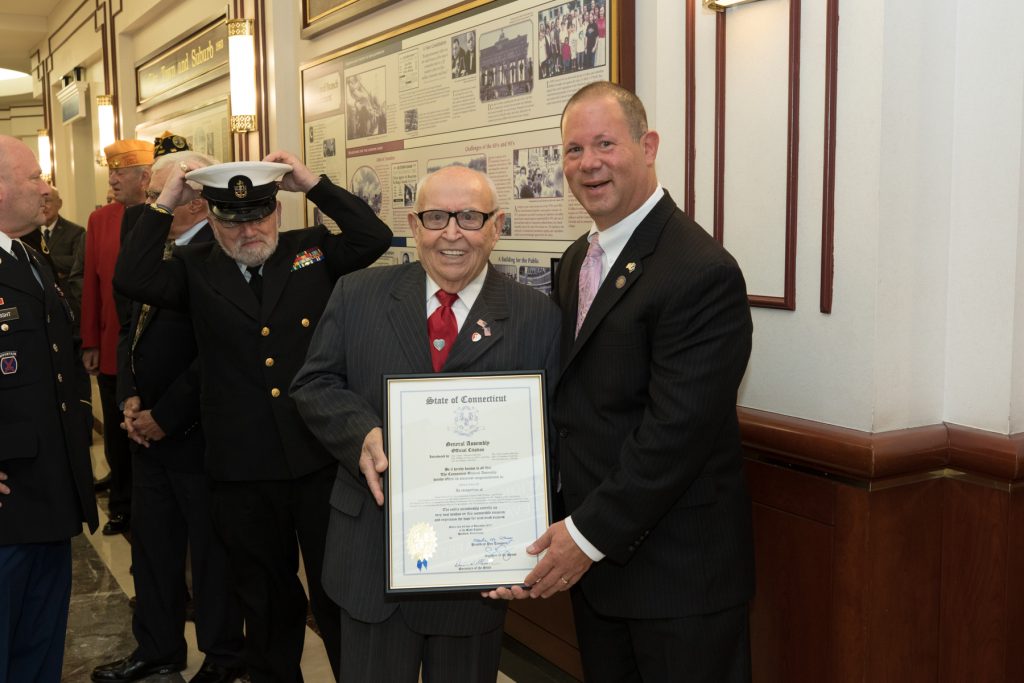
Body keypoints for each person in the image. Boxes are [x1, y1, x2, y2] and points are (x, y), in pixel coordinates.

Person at [487, 82, 755, 682]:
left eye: (605, 144)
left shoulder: (700, 271)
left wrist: (583, 536)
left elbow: (675, 435)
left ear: (648, 146)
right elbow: (574, 406)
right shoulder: (577, 261)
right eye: (574, 149)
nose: (589, 163)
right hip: (601, 571)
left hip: (678, 582)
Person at [113, 153, 393, 682]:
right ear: (211, 218)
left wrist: (312, 184)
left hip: (317, 458)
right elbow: (132, 275)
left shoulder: (310, 251)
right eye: (233, 221)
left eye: (260, 216)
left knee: (336, 593)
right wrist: (166, 198)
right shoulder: (195, 268)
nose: (249, 231)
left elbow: (372, 236)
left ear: (278, 211)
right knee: (264, 600)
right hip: (241, 468)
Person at [290, 165, 559, 682]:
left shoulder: (537, 317)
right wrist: (361, 433)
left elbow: (549, 436)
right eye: (436, 217)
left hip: (477, 571)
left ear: (497, 226)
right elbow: (314, 383)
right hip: (372, 557)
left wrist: (525, 544)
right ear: (415, 226)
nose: (451, 233)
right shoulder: (356, 294)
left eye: (470, 217)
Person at [91, 148, 245, 683]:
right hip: (147, 432)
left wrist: (167, 415)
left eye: (163, 195)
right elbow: (131, 323)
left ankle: (223, 659)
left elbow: (218, 351)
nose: (152, 203)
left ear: (196, 201)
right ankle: (157, 647)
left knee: (210, 555)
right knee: (153, 550)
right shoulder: (160, 248)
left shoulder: (221, 252)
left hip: (197, 434)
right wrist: (129, 397)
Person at [0, 135, 98, 680]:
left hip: (50, 493)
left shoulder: (31, 258)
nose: (47, 188)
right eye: (35, 176)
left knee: (39, 654)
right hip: (6, 507)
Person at [83, 139, 153, 535]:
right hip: (112, 345)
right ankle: (122, 506)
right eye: (111, 172)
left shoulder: (163, 216)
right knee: (115, 432)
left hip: (151, 347)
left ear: (145, 178)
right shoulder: (100, 220)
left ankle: (149, 507)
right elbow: (92, 283)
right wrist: (90, 341)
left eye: (120, 173)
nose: (112, 179)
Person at [20, 185, 85, 293]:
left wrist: (43, 260)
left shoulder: (75, 231)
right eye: (40, 201)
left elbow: (75, 262)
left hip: (66, 293)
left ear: (59, 203)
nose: (44, 206)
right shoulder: (29, 232)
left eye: (48, 201)